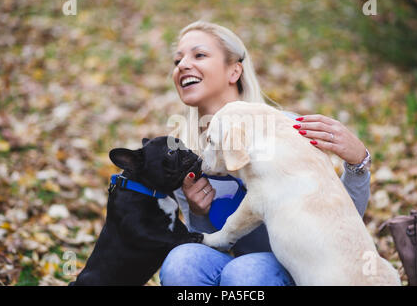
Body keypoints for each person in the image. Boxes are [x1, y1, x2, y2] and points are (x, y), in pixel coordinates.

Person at [159, 20, 371, 286]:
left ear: (234, 71)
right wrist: (198, 213)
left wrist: (357, 163)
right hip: (232, 263)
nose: (182, 65)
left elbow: (341, 220)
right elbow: (207, 245)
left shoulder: (286, 129)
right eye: (177, 60)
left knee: (247, 272)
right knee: (182, 261)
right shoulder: (184, 154)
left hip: (300, 267)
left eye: (199, 55)